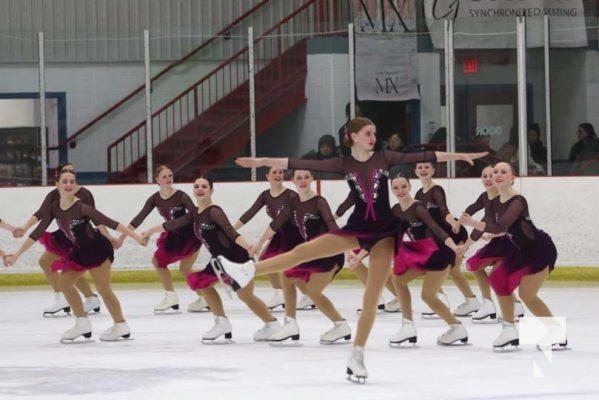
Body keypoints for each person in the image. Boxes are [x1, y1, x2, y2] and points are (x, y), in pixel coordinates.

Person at [217, 117, 487, 382]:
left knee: (371, 298)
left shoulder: (384, 158)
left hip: (384, 233)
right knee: (303, 252)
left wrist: (460, 155)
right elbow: (298, 163)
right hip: (357, 227)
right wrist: (262, 162)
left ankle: (356, 354)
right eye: (369, 133)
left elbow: (424, 156)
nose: (373, 137)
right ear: (354, 136)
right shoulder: (342, 163)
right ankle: (244, 271)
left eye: (374, 133)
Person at [4, 169, 146, 343]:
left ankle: (121, 325)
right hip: (80, 252)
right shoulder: (54, 208)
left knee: (103, 288)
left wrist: (136, 237)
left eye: (72, 181)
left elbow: (110, 222)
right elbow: (37, 232)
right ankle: (82, 323)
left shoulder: (81, 207)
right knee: (64, 282)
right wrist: (17, 255)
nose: (69, 185)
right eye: (65, 181)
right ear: (57, 185)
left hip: (98, 249)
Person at [142, 176, 281, 343]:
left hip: (235, 257)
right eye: (197, 186)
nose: (200, 189)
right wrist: (150, 231)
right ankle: (222, 323)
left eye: (204, 186)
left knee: (245, 295)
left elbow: (231, 232)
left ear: (211, 190)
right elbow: (174, 223)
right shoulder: (195, 212)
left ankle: (271, 324)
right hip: (219, 259)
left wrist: (249, 247)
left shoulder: (214, 211)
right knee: (204, 284)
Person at [460, 162, 563, 350]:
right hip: (520, 250)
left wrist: (472, 223)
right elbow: (500, 228)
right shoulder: (496, 202)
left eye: (504, 172)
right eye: (495, 172)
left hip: (539, 251)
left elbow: (501, 226)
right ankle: (509, 330)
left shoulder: (518, 201)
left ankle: (555, 332)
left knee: (527, 295)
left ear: (512, 178)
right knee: (498, 279)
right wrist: (490, 234)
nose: (497, 175)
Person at [252, 169, 349, 344]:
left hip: (329, 253)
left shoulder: (319, 202)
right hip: (312, 253)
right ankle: (291, 324)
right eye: (299, 178)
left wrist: (349, 251)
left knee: (312, 292)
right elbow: (276, 224)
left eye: (306, 177)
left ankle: (340, 325)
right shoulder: (294, 202)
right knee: (287, 276)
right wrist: (258, 245)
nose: (303, 181)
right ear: (293, 181)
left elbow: (332, 226)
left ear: (312, 178)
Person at [13, 163, 106, 317]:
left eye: (72, 173)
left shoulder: (85, 194)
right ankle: (79, 298)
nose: (69, 177)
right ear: (59, 178)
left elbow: (94, 218)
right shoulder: (54, 194)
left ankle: (77, 298)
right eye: (65, 173)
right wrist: (24, 227)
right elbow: (41, 213)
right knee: (48, 263)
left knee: (65, 267)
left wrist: (106, 238)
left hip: (79, 237)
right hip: (63, 235)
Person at [385, 173, 467, 346]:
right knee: (398, 280)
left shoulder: (419, 208)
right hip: (422, 253)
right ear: (391, 190)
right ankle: (407, 326)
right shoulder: (396, 210)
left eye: (404, 187)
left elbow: (437, 229)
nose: (400, 191)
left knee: (428, 296)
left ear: (410, 187)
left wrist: (454, 247)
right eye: (396, 188)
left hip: (439, 254)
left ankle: (457, 328)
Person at [117, 165, 205, 314]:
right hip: (173, 236)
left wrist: (153, 230)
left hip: (189, 236)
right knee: (161, 262)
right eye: (164, 177)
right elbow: (139, 218)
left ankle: (201, 297)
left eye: (170, 175)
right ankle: (174, 297)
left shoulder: (181, 196)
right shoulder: (155, 199)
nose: (168, 179)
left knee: (182, 268)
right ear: (157, 180)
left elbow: (193, 216)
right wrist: (122, 238)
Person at [414, 162, 480, 318]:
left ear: (433, 171)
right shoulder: (418, 195)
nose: (423, 170)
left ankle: (471, 301)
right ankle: (438, 298)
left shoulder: (437, 190)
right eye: (420, 167)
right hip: (435, 238)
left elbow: (444, 212)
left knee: (453, 270)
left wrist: (454, 224)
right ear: (416, 171)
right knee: (428, 267)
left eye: (427, 167)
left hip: (453, 234)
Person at [460, 165, 525, 322]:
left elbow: (501, 224)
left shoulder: (510, 199)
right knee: (474, 265)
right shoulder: (487, 198)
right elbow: (479, 217)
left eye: (493, 175)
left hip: (513, 243)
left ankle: (514, 305)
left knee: (497, 276)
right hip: (498, 242)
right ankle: (489, 304)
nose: (489, 179)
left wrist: (467, 244)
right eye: (485, 175)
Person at [233, 167, 302, 311]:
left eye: (280, 172)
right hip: (278, 233)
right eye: (274, 172)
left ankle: (308, 293)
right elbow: (250, 213)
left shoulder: (291, 195)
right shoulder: (265, 195)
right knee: (266, 260)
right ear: (267, 177)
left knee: (289, 266)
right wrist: (232, 229)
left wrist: (260, 242)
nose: (278, 175)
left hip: (294, 234)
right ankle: (279, 293)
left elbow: (285, 221)